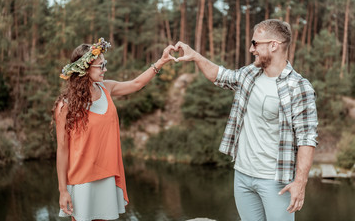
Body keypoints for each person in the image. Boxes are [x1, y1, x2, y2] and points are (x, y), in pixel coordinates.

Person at [174, 19, 318, 221]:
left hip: (275, 181)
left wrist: (300, 183)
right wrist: (195, 56)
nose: (251, 49)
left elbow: (307, 139)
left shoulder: (299, 87)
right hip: (242, 176)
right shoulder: (250, 74)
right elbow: (220, 76)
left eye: (255, 43)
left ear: (274, 45)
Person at [52, 38, 175, 221]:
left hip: (107, 175)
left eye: (105, 64)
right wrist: (63, 191)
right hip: (81, 179)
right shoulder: (66, 105)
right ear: (85, 69)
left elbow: (136, 84)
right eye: (101, 66)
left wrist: (162, 61)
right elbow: (62, 150)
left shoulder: (106, 88)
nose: (105, 69)